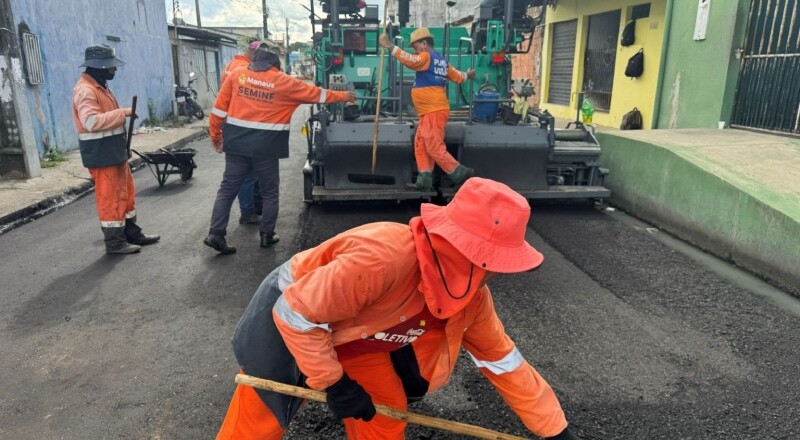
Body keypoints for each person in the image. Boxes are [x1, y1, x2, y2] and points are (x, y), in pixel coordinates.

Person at [216, 177, 580, 440]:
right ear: (456, 245)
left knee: (385, 414)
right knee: (258, 421)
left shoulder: (472, 301)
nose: (491, 273)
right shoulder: (383, 258)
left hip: (358, 337)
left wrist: (555, 430)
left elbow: (504, 362)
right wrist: (334, 383)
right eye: (489, 261)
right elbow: (295, 312)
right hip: (290, 321)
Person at [205, 43, 356, 254]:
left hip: (236, 145)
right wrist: (343, 96)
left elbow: (219, 110)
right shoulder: (283, 82)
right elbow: (316, 94)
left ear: (256, 58)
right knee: (269, 192)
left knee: (228, 188)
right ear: (276, 62)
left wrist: (216, 136)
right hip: (266, 147)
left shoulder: (237, 75)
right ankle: (267, 235)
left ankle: (215, 234)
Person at [71, 44, 160, 254]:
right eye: (111, 67)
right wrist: (124, 113)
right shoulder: (85, 90)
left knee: (126, 194)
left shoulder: (100, 86)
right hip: (101, 155)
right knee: (110, 198)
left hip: (113, 152)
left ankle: (132, 234)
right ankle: (115, 243)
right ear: (100, 67)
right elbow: (91, 122)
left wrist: (123, 147)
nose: (114, 70)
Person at [379, 28, 476, 190]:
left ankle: (460, 172)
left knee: (433, 146)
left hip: (434, 110)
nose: (414, 50)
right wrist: (468, 75)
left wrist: (390, 46)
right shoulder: (441, 60)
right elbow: (457, 75)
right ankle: (424, 179)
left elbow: (410, 60)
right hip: (430, 111)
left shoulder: (425, 57)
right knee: (421, 143)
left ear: (424, 44)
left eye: (416, 46)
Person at [220, 38, 264, 226]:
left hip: (233, 126)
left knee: (244, 176)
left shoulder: (233, 65)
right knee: (247, 175)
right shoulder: (243, 70)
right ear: (254, 53)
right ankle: (247, 212)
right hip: (244, 127)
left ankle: (252, 208)